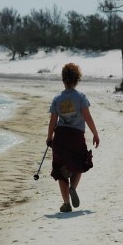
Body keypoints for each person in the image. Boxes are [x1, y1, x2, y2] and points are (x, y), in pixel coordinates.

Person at [46, 63, 100, 212]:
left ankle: (66, 203)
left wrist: (49, 137)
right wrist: (95, 134)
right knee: (80, 162)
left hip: (61, 137)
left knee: (60, 168)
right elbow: (87, 117)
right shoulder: (81, 97)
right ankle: (73, 187)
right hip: (76, 136)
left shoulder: (57, 99)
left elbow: (53, 121)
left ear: (63, 80)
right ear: (77, 80)